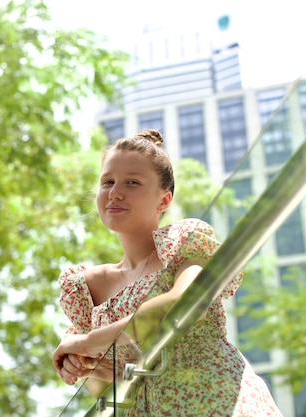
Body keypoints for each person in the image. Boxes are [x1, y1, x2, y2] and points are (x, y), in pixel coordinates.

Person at [52, 129, 283, 416]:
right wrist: (81, 366)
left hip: (215, 401)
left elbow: (185, 304)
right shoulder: (87, 287)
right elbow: (106, 387)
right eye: (107, 182)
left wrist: (84, 342)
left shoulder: (184, 241)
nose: (115, 192)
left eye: (132, 182)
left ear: (164, 201)